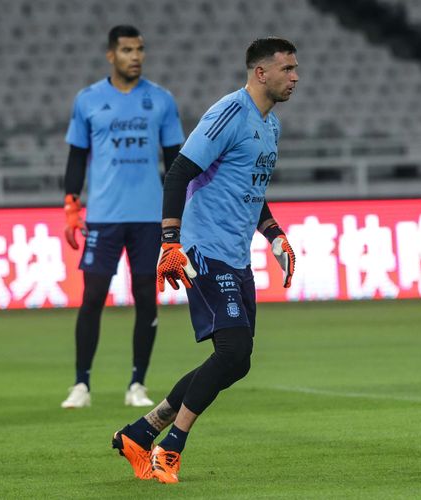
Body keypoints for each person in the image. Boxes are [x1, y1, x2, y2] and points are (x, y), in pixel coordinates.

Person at [111, 37, 299, 483]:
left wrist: (274, 236)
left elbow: (250, 188)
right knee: (233, 352)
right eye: (287, 69)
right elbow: (179, 171)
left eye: (295, 68)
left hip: (234, 253)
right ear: (261, 73)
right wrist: (170, 243)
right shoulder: (228, 114)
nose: (295, 77)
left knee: (237, 360)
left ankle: (141, 432)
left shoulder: (270, 126)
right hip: (202, 250)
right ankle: (171, 448)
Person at [60, 25, 185, 409]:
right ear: (111, 55)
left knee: (146, 297)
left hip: (149, 216)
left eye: (141, 49)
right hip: (104, 216)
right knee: (93, 296)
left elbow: (177, 163)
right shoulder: (89, 100)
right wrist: (71, 205)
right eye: (128, 50)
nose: (136, 56)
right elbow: (77, 156)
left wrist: (177, 214)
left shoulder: (161, 101)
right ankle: (81, 384)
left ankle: (137, 384)